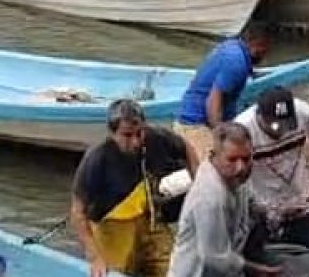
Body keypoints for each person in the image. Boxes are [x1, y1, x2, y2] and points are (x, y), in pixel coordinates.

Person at [72, 99, 198, 277]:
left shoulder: (157, 137)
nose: (136, 142)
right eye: (127, 135)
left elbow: (187, 149)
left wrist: (197, 187)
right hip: (113, 228)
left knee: (176, 270)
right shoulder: (97, 159)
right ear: (112, 133)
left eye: (140, 133)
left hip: (150, 219)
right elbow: (78, 213)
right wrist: (94, 256)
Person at [168, 122, 282, 277]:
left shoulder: (235, 178)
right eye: (232, 159)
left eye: (246, 158)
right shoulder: (210, 197)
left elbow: (252, 204)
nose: (240, 167)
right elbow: (215, 258)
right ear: (214, 156)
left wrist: (277, 212)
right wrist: (256, 270)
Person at [234, 87, 309, 250]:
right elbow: (233, 173)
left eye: (286, 125)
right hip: (265, 204)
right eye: (275, 126)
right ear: (259, 116)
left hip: (300, 196)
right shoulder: (242, 130)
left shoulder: (304, 113)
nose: (281, 131)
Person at [175, 25, 270, 157]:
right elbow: (213, 102)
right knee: (215, 170)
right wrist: (221, 138)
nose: (266, 53)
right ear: (258, 45)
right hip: (196, 126)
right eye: (266, 48)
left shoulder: (231, 46)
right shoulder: (236, 62)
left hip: (195, 119)